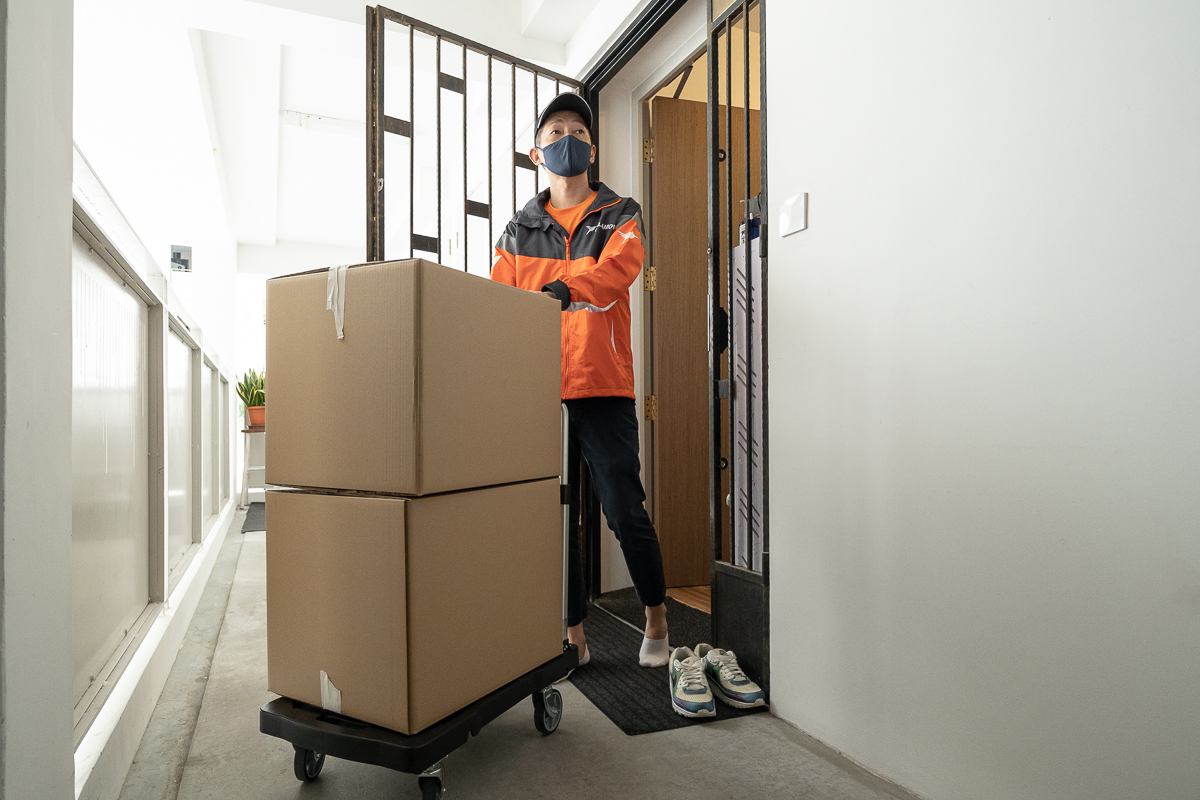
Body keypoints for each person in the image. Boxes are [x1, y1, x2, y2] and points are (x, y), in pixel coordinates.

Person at [491, 93, 670, 669]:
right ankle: (574, 635)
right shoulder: (519, 229)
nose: (566, 137)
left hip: (603, 383)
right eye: (555, 130)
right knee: (554, 515)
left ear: (590, 148)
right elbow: (499, 301)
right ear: (536, 150)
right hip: (540, 390)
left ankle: (657, 618)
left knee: (623, 508)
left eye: (577, 129)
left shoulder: (618, 211)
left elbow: (622, 269)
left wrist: (567, 290)